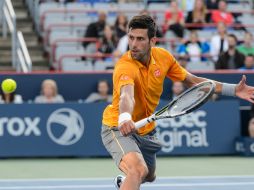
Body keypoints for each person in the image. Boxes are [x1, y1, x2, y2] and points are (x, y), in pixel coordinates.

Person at [101, 14, 254, 190]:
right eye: (131, 38)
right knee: (137, 170)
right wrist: (125, 118)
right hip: (118, 127)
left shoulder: (163, 58)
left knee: (149, 176)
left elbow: (192, 81)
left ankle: (123, 183)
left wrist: (233, 89)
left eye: (140, 39)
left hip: (146, 131)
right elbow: (127, 95)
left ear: (153, 41)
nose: (134, 44)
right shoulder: (124, 66)